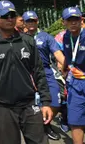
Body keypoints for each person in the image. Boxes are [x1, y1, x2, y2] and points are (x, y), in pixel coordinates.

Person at [0, 0, 52, 144]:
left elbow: (38, 72)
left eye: (12, 15)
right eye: (5, 16)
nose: (10, 19)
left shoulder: (28, 41)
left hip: (29, 104)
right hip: (3, 106)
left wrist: (46, 101)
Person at [23, 10, 66, 140]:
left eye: (33, 20)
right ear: (24, 23)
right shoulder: (20, 37)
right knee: (30, 104)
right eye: (28, 21)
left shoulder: (46, 37)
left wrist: (67, 66)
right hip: (26, 73)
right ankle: (40, 127)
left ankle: (45, 123)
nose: (31, 23)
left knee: (56, 101)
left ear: (37, 21)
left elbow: (57, 53)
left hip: (46, 72)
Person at [61, 7, 85, 144]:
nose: (73, 23)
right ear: (64, 22)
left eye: (76, 19)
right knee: (75, 120)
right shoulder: (66, 36)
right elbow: (68, 57)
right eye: (69, 20)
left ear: (81, 20)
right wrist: (65, 69)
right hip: (75, 83)